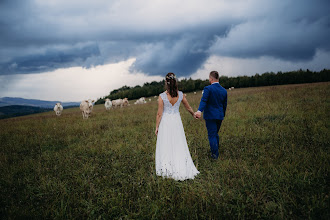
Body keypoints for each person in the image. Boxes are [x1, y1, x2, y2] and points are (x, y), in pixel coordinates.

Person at [155, 72, 199, 181]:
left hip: (166, 122)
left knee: (166, 143)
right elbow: (188, 107)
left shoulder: (162, 96)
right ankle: (181, 165)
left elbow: (159, 114)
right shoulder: (181, 95)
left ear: (166, 82)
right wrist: (193, 114)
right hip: (176, 122)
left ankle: (167, 168)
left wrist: (156, 127)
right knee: (178, 143)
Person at [194, 71, 227, 159]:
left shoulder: (208, 89)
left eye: (209, 78)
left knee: (212, 135)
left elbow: (204, 100)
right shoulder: (224, 90)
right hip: (220, 116)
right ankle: (216, 150)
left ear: (211, 79)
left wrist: (199, 111)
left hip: (210, 116)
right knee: (215, 134)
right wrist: (222, 115)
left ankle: (214, 156)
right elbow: (224, 105)